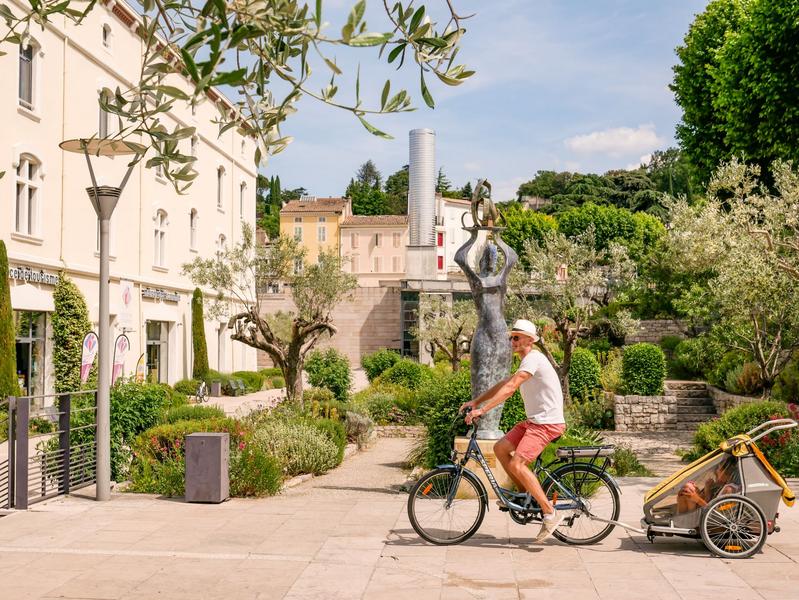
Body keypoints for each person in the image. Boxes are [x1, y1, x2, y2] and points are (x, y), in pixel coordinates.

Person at [459, 319, 566, 543]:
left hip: (547, 423)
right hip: (534, 421)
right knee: (500, 448)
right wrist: (476, 401)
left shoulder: (534, 358)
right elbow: (503, 384)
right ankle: (525, 494)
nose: (512, 341)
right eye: (511, 337)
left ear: (529, 340)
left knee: (517, 464)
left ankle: (550, 512)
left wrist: (483, 410)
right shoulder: (526, 362)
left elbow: (510, 388)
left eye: (516, 337)